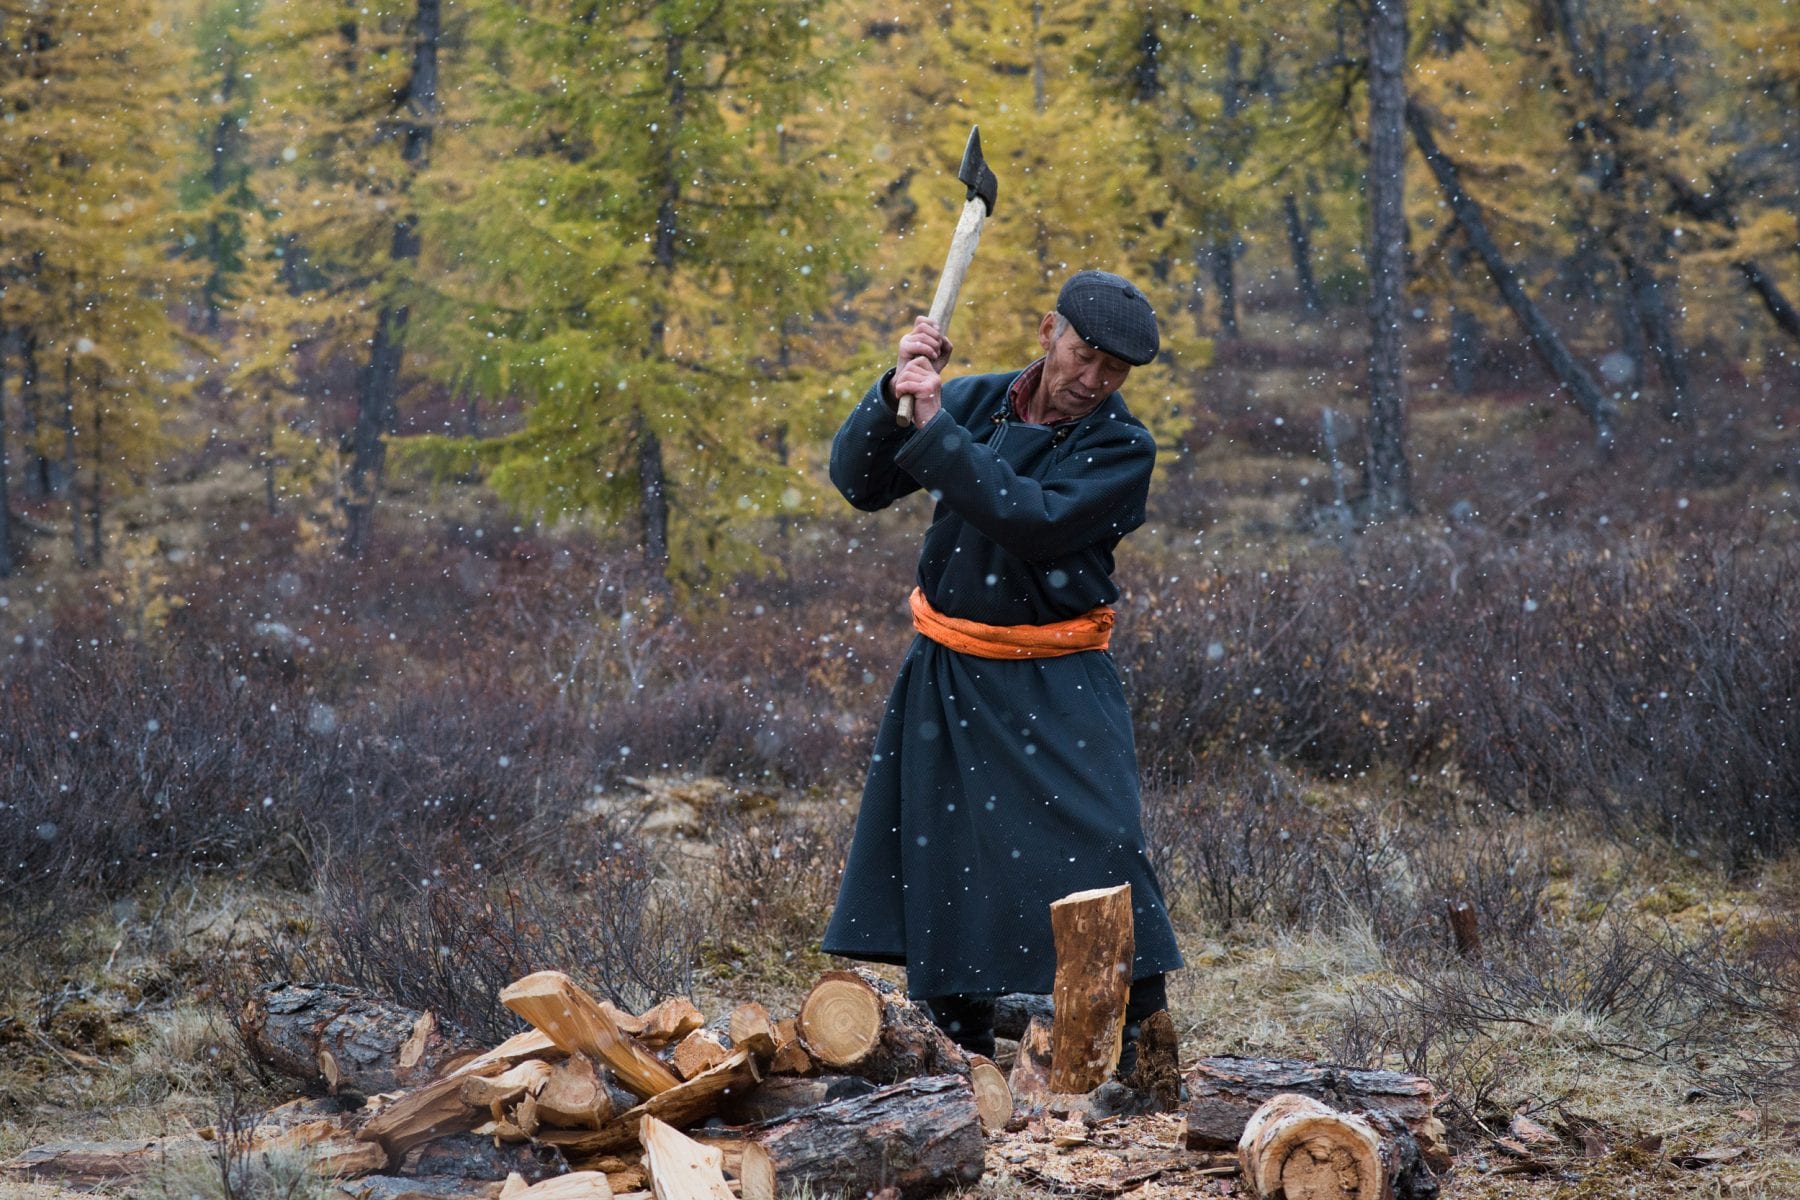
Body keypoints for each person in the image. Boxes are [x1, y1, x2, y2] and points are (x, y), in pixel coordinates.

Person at [822, 269, 1184, 1065]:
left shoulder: (1123, 446)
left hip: (1057, 677)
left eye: (1113, 370)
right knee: (948, 855)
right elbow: (859, 483)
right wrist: (891, 395)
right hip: (948, 668)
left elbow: (1030, 518)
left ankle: (1136, 1044)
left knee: (1105, 847)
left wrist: (939, 430)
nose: (1093, 381)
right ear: (1048, 331)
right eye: (1083, 355)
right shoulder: (979, 401)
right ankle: (960, 1050)